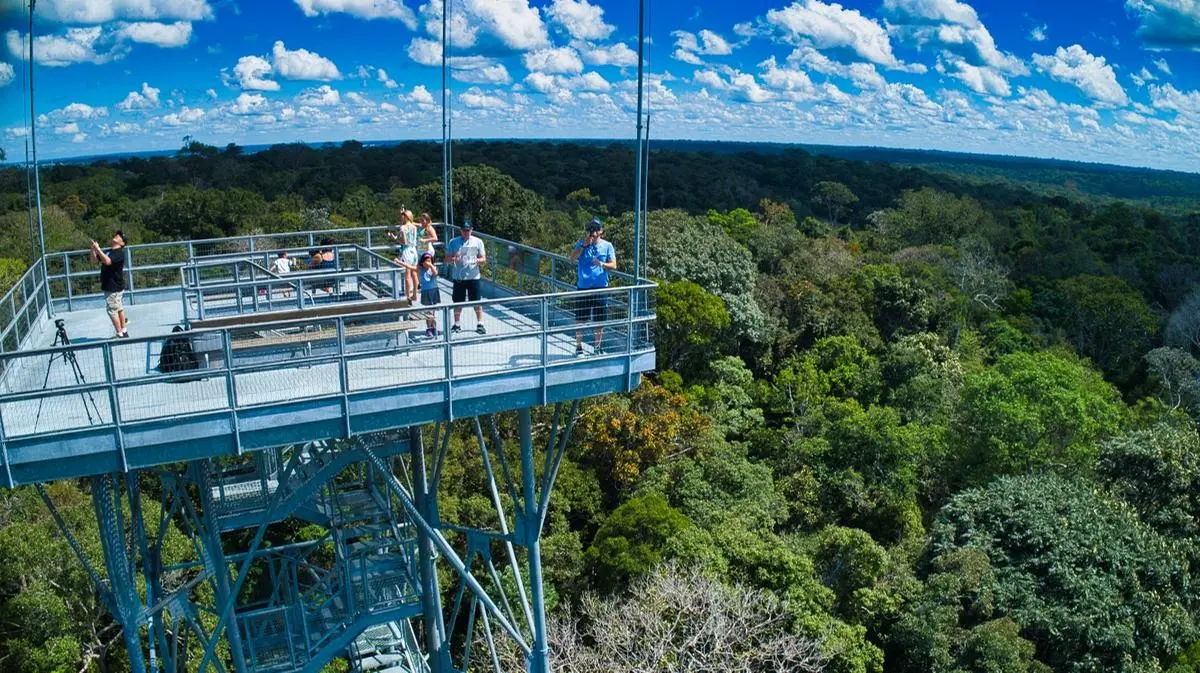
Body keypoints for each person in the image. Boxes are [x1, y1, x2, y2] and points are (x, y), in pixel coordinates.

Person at [570, 218, 616, 356]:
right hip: (583, 287)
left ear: (601, 231)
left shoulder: (607, 246)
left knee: (599, 319)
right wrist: (583, 246)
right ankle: (578, 347)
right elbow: (572, 259)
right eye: (591, 229)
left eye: (596, 229)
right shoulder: (581, 244)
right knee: (580, 318)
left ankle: (597, 347)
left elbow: (613, 265)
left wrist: (602, 264)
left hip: (600, 288)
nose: (593, 232)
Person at [445, 220, 487, 334]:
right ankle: (457, 324)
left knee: (476, 301)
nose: (466, 233)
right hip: (459, 277)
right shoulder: (453, 242)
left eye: (468, 230)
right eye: (464, 230)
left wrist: (477, 260)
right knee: (458, 302)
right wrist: (454, 258)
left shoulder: (478, 241)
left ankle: (480, 323)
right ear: (461, 230)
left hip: (474, 276)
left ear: (471, 230)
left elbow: (484, 259)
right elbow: (446, 259)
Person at [90, 230, 129, 338]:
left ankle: (119, 333)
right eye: (117, 234)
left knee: (112, 310)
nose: (117, 235)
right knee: (119, 308)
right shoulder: (109, 251)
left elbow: (107, 262)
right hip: (112, 285)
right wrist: (93, 249)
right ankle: (124, 331)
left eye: (120, 236)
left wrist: (98, 249)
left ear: (122, 243)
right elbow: (94, 261)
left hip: (113, 287)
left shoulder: (119, 253)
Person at [418, 252, 441, 337]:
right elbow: (411, 267)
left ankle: (433, 328)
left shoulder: (433, 268)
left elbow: (435, 273)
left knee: (433, 311)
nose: (428, 262)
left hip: (434, 291)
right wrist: (400, 262)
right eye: (426, 261)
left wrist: (431, 265)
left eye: (429, 260)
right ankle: (429, 328)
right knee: (429, 311)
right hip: (426, 292)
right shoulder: (421, 269)